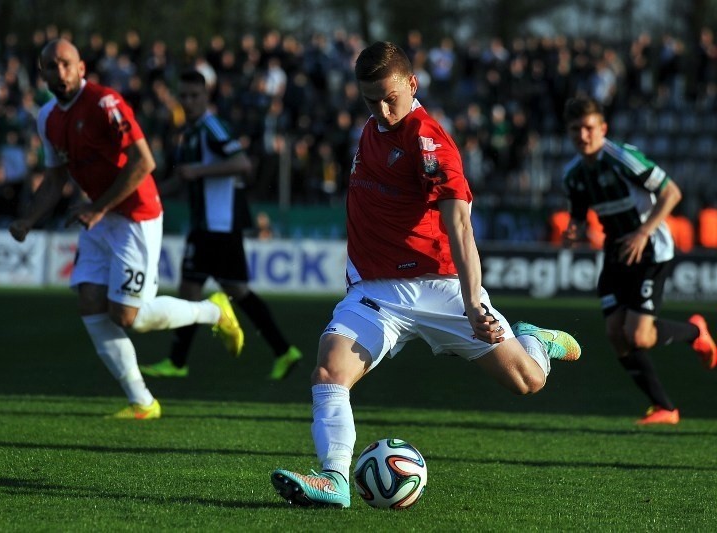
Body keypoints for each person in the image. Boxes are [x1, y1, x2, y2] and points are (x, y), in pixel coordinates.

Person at [269, 41, 581, 509]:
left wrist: (474, 301)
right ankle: (333, 479)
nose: (381, 108)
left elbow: (459, 223)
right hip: (377, 292)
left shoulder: (430, 141)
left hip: (442, 288)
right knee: (329, 370)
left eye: (389, 97)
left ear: (412, 84)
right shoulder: (371, 129)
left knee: (527, 380)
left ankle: (534, 339)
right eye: (369, 98)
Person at [8, 39, 244, 420]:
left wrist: (98, 207)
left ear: (81, 67)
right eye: (52, 66)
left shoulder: (105, 103)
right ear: (43, 73)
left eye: (67, 64)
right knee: (89, 301)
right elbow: (54, 180)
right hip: (98, 216)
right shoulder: (47, 117)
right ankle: (143, 402)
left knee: (129, 317)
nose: (61, 72)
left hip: (136, 215)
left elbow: (144, 161)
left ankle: (212, 312)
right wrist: (28, 220)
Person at [561, 96, 716, 425]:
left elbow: (672, 192)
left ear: (603, 128)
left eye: (589, 128)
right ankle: (664, 408)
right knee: (616, 334)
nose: (583, 136)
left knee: (640, 336)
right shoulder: (573, 174)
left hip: (650, 249)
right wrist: (574, 232)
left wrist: (644, 232)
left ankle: (694, 331)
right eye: (576, 129)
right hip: (617, 252)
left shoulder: (622, 158)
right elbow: (578, 216)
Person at [140, 70, 302, 381]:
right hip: (208, 225)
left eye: (194, 96)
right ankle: (283, 350)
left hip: (217, 224)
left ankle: (177, 362)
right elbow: (184, 176)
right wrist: (151, 193)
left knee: (195, 291)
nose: (188, 102)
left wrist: (198, 171)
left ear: (206, 97)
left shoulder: (211, 127)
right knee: (232, 290)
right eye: (183, 96)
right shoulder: (189, 132)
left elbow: (242, 163)